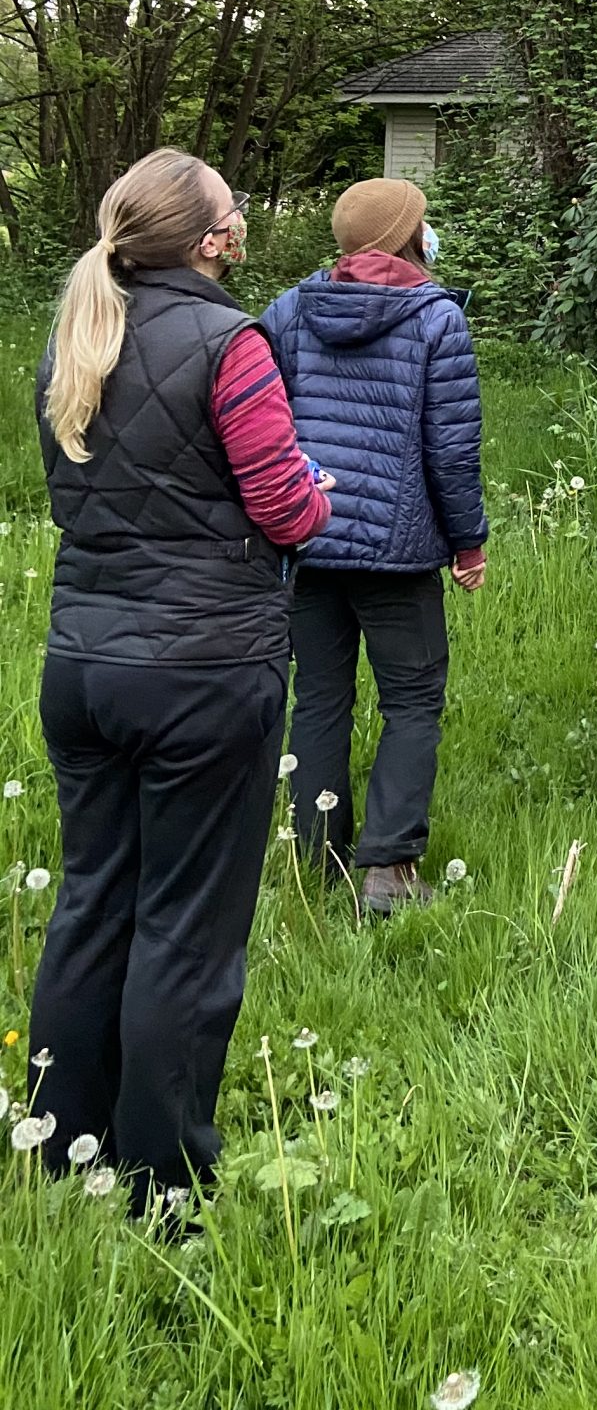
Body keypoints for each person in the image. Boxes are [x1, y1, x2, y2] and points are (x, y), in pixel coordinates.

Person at [29, 149, 332, 1203]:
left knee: (92, 901)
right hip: (204, 672)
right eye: (231, 209)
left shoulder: (74, 339)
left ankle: (58, 1144)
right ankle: (163, 1183)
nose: (240, 219)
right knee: (186, 929)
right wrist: (318, 492)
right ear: (210, 239)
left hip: (82, 667)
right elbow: (286, 510)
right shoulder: (229, 342)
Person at [261, 178, 487, 915]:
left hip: (306, 533)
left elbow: (260, 424)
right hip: (399, 547)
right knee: (413, 701)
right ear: (407, 235)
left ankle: (318, 857)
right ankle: (388, 872)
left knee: (320, 696)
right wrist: (468, 542)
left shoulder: (290, 311)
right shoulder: (437, 319)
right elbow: (451, 451)